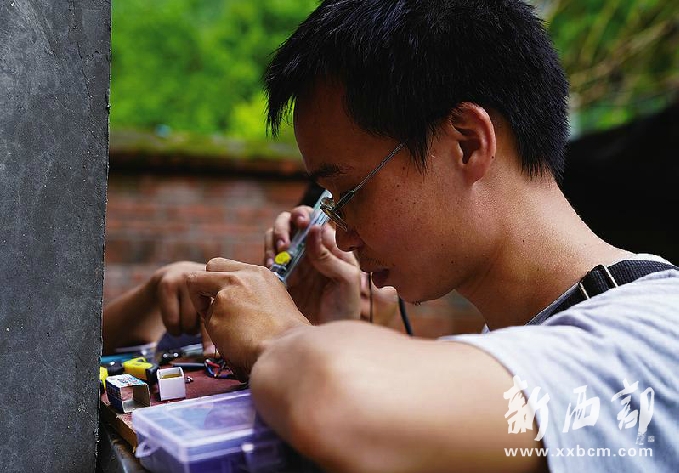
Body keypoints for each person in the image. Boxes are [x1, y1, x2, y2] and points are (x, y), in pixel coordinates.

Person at [185, 1, 679, 472]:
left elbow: (341, 408)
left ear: (467, 143)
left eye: (350, 192)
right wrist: (328, 336)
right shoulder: (522, 339)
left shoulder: (652, 334)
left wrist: (281, 337)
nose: (343, 236)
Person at [102, 185, 398, 356]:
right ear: (294, 252)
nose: (352, 277)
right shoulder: (233, 326)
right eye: (331, 258)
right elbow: (86, 356)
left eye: (366, 257)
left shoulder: (406, 376)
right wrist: (151, 297)